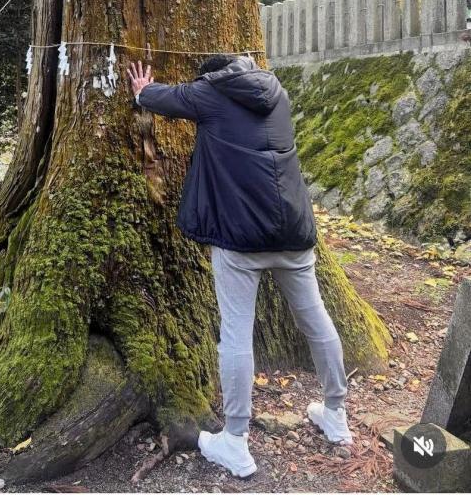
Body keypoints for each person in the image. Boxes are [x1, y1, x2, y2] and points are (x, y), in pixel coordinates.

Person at [127, 55, 352, 479]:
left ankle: (234, 439)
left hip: (240, 236)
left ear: (215, 74)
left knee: (235, 332)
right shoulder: (277, 93)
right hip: (293, 230)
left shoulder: (209, 93)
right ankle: (336, 413)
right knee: (316, 321)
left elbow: (166, 98)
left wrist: (141, 91)